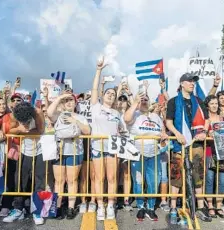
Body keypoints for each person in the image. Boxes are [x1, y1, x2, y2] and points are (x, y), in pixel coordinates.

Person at [165, 73, 211, 223]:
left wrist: (204, 131)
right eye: (190, 81)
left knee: (198, 177)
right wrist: (177, 134)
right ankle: (173, 208)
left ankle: (200, 208)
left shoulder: (199, 101)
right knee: (176, 177)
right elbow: (168, 122)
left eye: (194, 81)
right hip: (180, 144)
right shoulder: (173, 101)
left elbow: (207, 119)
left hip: (196, 145)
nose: (192, 83)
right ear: (182, 83)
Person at [124, 93, 168, 221]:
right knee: (138, 181)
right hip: (137, 154)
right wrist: (135, 103)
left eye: (146, 100)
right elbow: (126, 119)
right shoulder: (135, 114)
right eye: (141, 99)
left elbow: (163, 133)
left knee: (154, 181)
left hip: (154, 154)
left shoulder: (155, 116)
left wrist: (163, 137)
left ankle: (150, 207)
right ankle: (140, 207)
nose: (143, 101)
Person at [47, 93, 91, 219]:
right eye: (66, 100)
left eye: (71, 100)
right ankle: (58, 206)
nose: (68, 102)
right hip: (59, 152)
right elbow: (50, 112)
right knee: (59, 181)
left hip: (75, 152)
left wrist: (75, 121)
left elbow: (87, 131)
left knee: (72, 180)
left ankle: (71, 207)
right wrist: (60, 98)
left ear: (75, 103)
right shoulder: (58, 115)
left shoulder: (80, 117)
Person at [2, 102, 45, 225]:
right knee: (20, 179)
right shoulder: (14, 115)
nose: (25, 123)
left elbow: (40, 131)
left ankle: (38, 211)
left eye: (26, 121)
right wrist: (19, 129)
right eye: (23, 121)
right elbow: (11, 130)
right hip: (25, 150)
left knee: (39, 180)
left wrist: (23, 131)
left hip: (40, 150)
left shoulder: (37, 112)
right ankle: (18, 209)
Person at [90, 57, 122, 220]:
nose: (110, 95)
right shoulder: (96, 107)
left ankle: (110, 205)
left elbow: (122, 130)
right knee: (99, 178)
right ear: (103, 96)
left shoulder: (117, 113)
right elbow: (95, 89)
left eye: (113, 94)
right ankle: (100, 206)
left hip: (112, 148)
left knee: (111, 178)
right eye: (108, 93)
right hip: (97, 147)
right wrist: (99, 69)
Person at [204, 95, 224, 219]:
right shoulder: (206, 119)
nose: (214, 105)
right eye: (212, 103)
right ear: (207, 105)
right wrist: (208, 132)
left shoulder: (223, 118)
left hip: (223, 153)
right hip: (209, 152)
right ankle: (210, 205)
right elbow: (203, 133)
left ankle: (218, 205)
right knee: (209, 180)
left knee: (222, 181)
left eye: (216, 103)